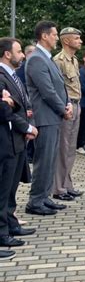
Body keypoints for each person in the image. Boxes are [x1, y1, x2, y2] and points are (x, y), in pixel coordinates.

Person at [25, 21, 73, 216]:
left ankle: (44, 197)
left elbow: (60, 86)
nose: (56, 38)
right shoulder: (36, 59)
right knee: (43, 160)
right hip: (45, 117)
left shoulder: (47, 58)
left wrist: (67, 103)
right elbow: (47, 91)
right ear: (44, 36)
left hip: (53, 115)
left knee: (51, 159)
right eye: (54, 34)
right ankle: (35, 201)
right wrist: (63, 109)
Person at [0, 38, 37, 248]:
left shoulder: (12, 75)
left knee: (11, 186)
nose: (22, 55)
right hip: (7, 140)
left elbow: (20, 103)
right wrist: (27, 127)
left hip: (17, 140)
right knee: (3, 189)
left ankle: (11, 223)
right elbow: (5, 111)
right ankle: (2, 234)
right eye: (19, 51)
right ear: (7, 54)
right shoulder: (1, 76)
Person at [52, 27, 84, 202]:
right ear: (66, 40)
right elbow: (58, 88)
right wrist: (64, 107)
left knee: (71, 148)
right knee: (62, 148)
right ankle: (58, 188)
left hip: (76, 105)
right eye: (77, 38)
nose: (80, 41)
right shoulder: (58, 60)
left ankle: (67, 183)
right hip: (67, 106)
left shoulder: (74, 60)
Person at [0, 90, 18, 261]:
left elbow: (16, 106)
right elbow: (5, 113)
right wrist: (6, 103)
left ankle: (4, 231)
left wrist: (8, 101)